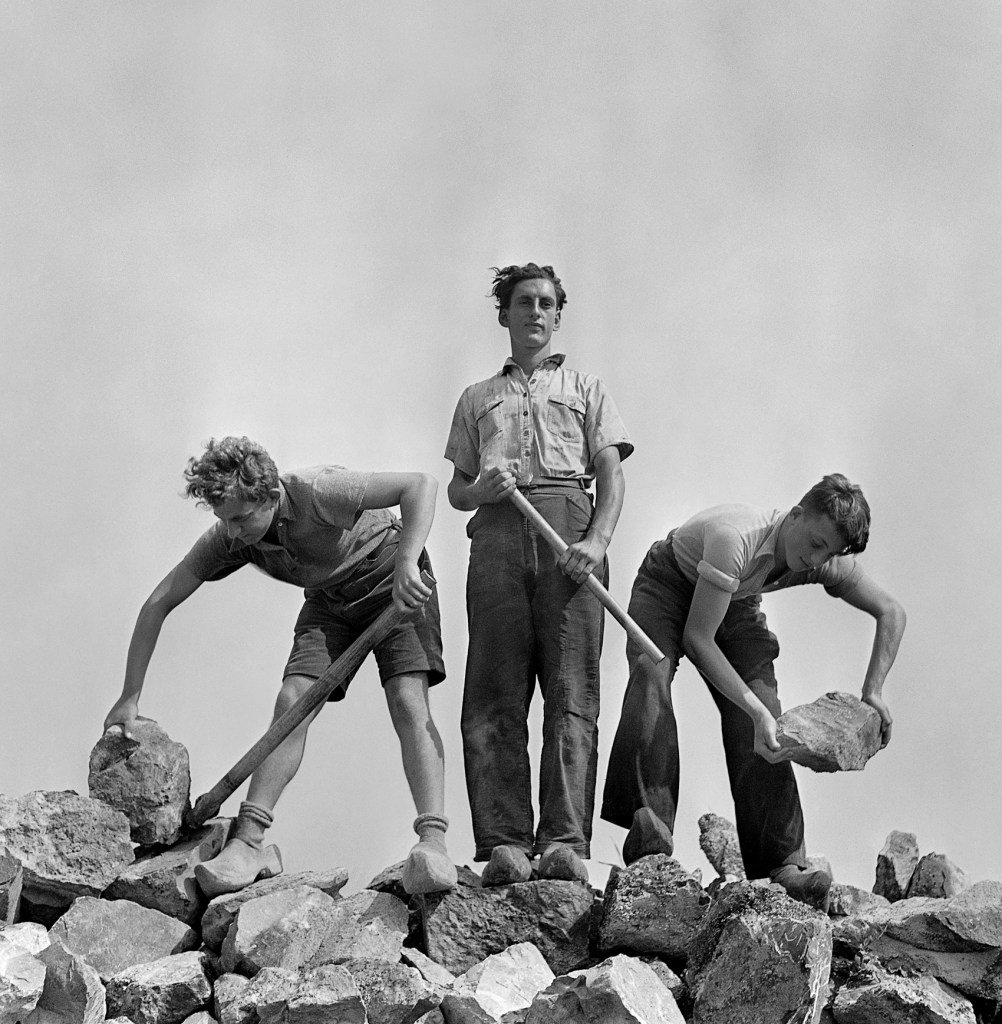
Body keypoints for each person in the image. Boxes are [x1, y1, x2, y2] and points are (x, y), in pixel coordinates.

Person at [103, 436, 456, 897]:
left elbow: (420, 485)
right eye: (223, 520)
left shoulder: (317, 490)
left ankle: (432, 843)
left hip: (393, 580)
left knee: (408, 698)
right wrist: (130, 696)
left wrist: (409, 562)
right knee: (293, 701)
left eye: (240, 519)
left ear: (269, 497)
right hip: (330, 601)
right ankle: (248, 844)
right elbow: (158, 602)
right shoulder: (232, 536)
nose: (231, 532)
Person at [600, 474, 906, 908]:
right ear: (797, 514)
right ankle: (650, 830)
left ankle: (783, 865)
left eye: (828, 552)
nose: (815, 558)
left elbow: (891, 612)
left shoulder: (822, 557)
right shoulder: (735, 538)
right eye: (815, 542)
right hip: (669, 583)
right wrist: (753, 710)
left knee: (765, 716)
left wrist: (873, 689)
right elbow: (697, 639)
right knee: (653, 672)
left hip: (736, 599)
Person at [444, 263, 633, 886]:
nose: (534, 312)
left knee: (571, 693)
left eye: (547, 303)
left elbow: (611, 475)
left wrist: (597, 539)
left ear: (558, 315)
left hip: (569, 535)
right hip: (497, 538)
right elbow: (455, 491)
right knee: (494, 692)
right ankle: (503, 841)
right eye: (523, 302)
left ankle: (563, 842)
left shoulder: (586, 388)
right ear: (505, 314)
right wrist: (480, 486)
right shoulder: (477, 398)